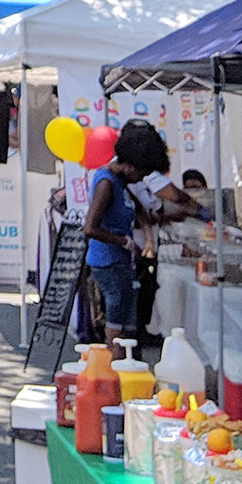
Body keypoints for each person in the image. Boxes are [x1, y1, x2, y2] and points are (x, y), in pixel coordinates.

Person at [83, 122, 168, 340]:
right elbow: (90, 227)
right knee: (116, 319)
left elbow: (138, 208)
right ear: (130, 166)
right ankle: (114, 357)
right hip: (108, 262)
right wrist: (124, 241)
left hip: (121, 262)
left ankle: (124, 358)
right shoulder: (106, 183)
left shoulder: (121, 183)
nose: (141, 178)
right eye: (142, 172)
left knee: (129, 321)